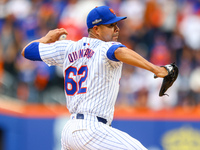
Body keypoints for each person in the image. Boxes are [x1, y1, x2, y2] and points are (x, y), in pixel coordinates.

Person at [21, 6, 168, 150]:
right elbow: (119, 51)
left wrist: (45, 38)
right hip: (92, 129)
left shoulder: (67, 48)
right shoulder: (105, 47)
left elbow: (28, 51)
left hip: (70, 131)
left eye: (116, 25)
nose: (116, 29)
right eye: (111, 25)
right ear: (96, 29)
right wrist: (155, 68)